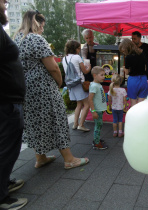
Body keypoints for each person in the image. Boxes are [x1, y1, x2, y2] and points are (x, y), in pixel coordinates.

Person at [14, 10, 89, 170]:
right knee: (57, 118)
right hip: (43, 88)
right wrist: (59, 82)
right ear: (37, 23)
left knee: (35, 121)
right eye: (42, 25)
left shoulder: (17, 39)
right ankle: (69, 159)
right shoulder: (36, 38)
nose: (43, 29)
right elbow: (53, 67)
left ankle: (40, 157)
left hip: (26, 88)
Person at [0, 0, 28, 209]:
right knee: (6, 148)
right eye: (3, 1)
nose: (6, 3)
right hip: (6, 101)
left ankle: (4, 182)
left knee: (8, 147)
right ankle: (1, 197)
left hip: (9, 100)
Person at [63, 40, 91, 132]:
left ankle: (75, 124)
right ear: (75, 48)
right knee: (87, 104)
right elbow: (85, 71)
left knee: (79, 104)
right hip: (79, 83)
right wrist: (89, 67)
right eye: (79, 48)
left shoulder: (64, 58)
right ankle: (81, 124)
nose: (79, 50)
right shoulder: (77, 57)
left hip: (71, 84)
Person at [119, 38, 148, 107]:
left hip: (133, 80)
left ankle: (133, 117)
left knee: (133, 104)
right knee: (141, 104)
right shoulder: (142, 54)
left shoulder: (128, 57)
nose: (123, 52)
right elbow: (145, 68)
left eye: (123, 51)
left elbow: (127, 72)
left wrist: (124, 68)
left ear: (126, 48)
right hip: (143, 79)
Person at [88, 66, 108, 150]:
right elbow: (90, 99)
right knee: (98, 127)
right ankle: (96, 144)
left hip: (100, 110)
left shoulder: (97, 84)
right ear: (95, 75)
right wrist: (93, 111)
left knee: (99, 125)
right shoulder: (94, 86)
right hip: (97, 111)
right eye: (102, 75)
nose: (104, 76)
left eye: (104, 75)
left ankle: (97, 139)